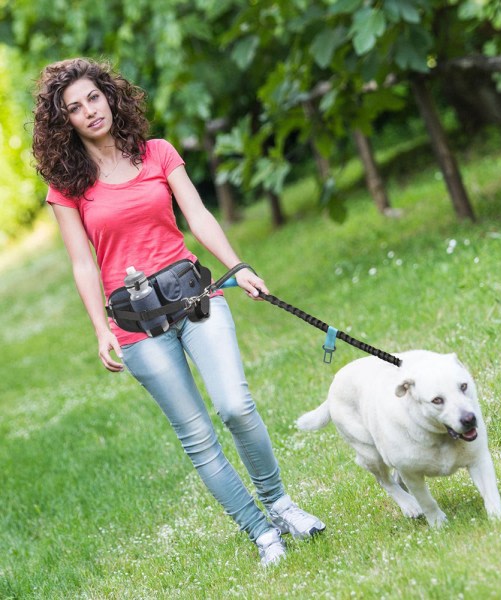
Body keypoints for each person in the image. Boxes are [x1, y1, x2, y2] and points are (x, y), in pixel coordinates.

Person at [32, 57, 325, 567]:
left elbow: (199, 215)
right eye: (74, 109)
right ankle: (260, 532)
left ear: (109, 96)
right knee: (197, 437)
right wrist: (100, 328)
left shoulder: (157, 153)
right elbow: (82, 263)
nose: (89, 112)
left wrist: (237, 266)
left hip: (194, 297)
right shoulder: (68, 186)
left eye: (93, 98)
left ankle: (280, 504)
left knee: (235, 406)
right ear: (66, 122)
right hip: (135, 324)